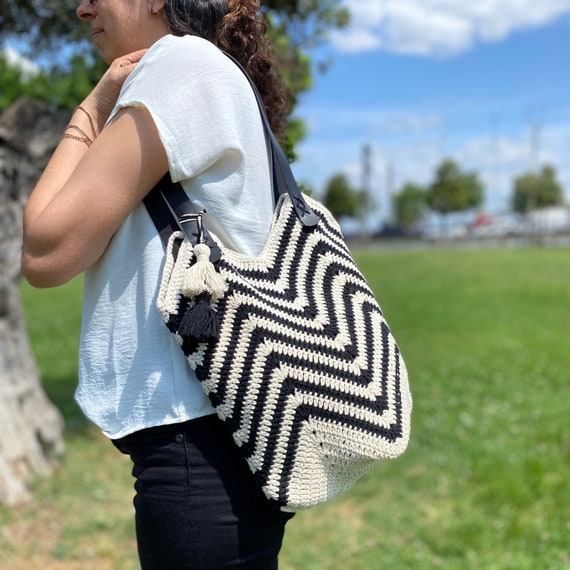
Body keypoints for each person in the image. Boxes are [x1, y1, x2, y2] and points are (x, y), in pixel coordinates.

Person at [21, 0, 295, 568]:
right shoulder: (205, 68)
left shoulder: (179, 65)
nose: (82, 9)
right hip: (221, 434)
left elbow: (44, 251)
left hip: (196, 445)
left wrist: (94, 106)